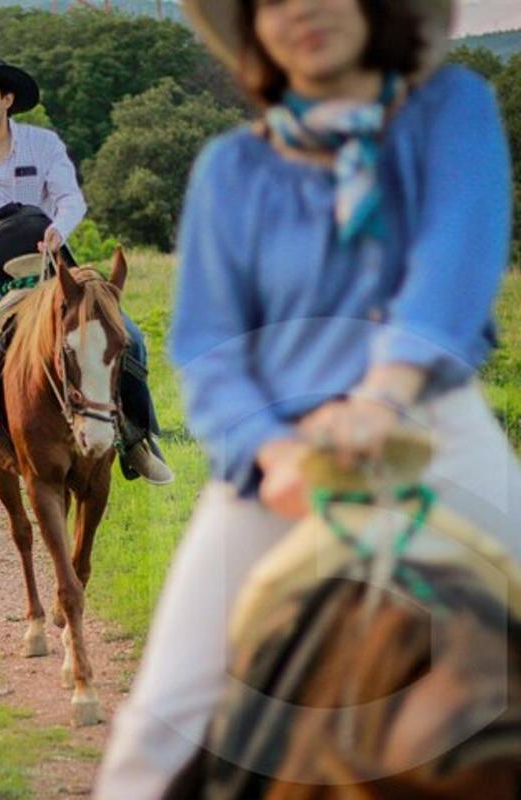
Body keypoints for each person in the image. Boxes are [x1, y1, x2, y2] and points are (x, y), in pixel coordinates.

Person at [94, 1, 521, 796]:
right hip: (282, 453)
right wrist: (273, 450)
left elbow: (452, 267)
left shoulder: (450, 109)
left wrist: (381, 399)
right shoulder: (231, 167)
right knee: (162, 722)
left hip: (431, 424)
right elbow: (206, 349)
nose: (304, 10)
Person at [0, 53, 174, 524]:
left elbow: (69, 198)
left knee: (132, 339)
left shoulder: (43, 145)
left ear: (7, 100)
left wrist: (59, 227)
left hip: (52, 274)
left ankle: (138, 439)